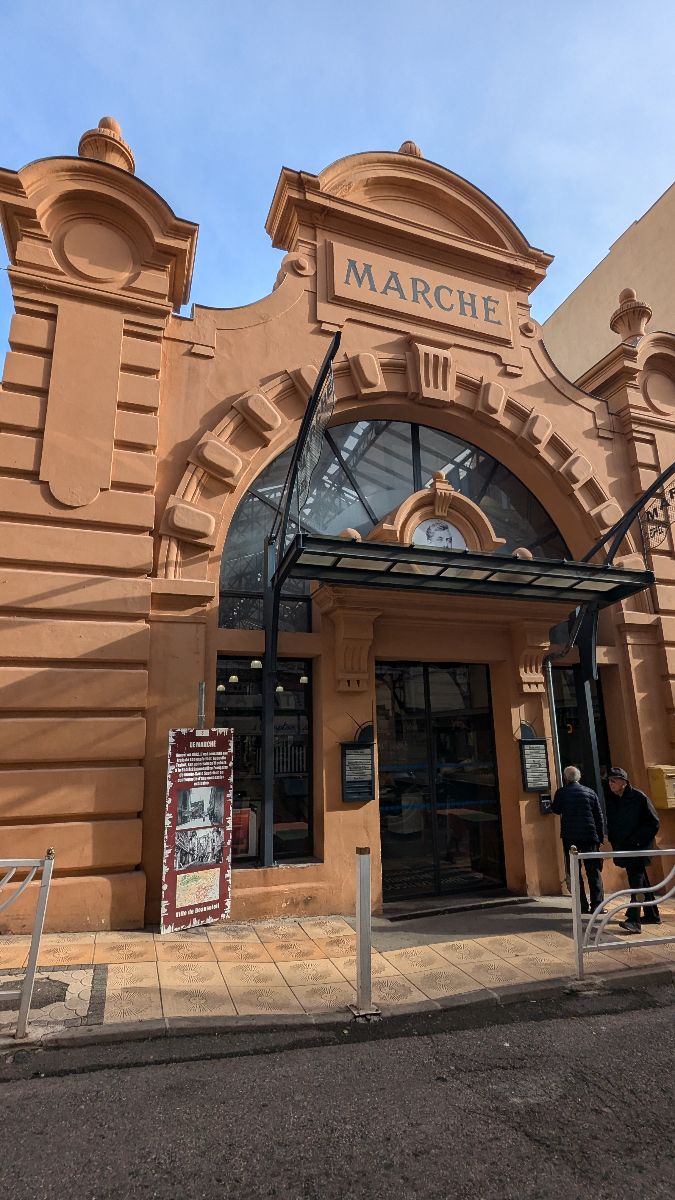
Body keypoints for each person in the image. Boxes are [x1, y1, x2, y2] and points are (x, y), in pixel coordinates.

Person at [606, 766, 661, 934]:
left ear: (624, 782)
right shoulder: (614, 800)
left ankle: (634, 920)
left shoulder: (638, 797)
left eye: (614, 781)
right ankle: (652, 915)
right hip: (625, 848)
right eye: (609, 781)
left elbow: (654, 823)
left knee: (636, 885)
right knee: (641, 881)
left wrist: (638, 842)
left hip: (637, 849)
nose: (610, 784)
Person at [552, 765, 606, 914]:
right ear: (579, 777)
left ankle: (581, 905)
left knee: (575, 872)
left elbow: (555, 809)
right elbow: (599, 816)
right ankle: (598, 905)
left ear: (565, 778)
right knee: (593, 871)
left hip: (571, 837)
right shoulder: (590, 792)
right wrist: (600, 837)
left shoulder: (562, 793)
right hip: (589, 836)